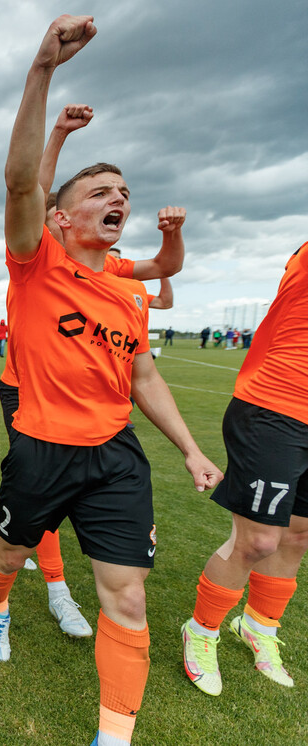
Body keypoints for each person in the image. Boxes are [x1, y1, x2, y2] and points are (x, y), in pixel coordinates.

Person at [0, 17, 222, 746]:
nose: (118, 199)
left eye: (123, 191)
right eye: (101, 192)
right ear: (60, 217)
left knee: (127, 595)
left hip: (115, 456)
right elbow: (22, 179)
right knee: (8, 556)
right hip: (40, 449)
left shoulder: (128, 293)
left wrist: (187, 447)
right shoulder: (35, 264)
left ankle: (112, 738)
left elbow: (143, 374)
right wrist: (41, 70)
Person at [181, 241, 308, 697]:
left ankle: (259, 627)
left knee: (298, 535)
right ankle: (202, 630)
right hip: (277, 407)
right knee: (257, 540)